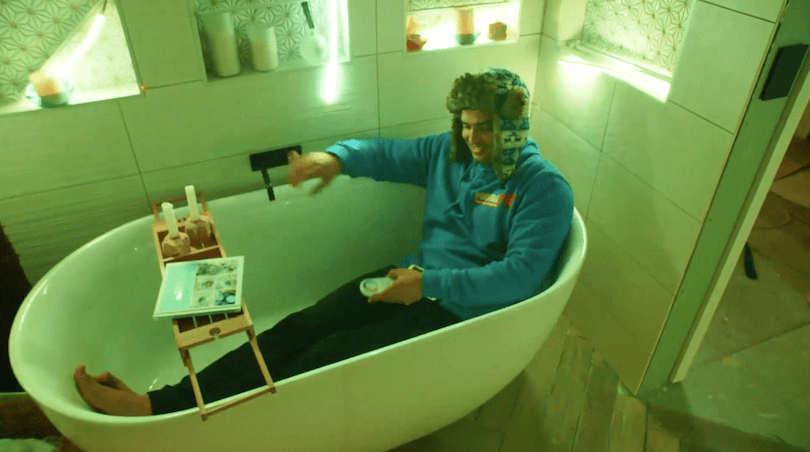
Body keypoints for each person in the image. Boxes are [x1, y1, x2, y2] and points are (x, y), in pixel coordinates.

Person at [73, 67, 575, 416]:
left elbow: (521, 278)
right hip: (413, 278)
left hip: (462, 315)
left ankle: (204, 421)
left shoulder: (542, 188)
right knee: (304, 325)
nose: (472, 139)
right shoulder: (450, 154)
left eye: (485, 128)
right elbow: (386, 153)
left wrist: (429, 286)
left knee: (326, 357)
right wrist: (336, 158)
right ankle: (164, 405)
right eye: (465, 126)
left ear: (513, 126)